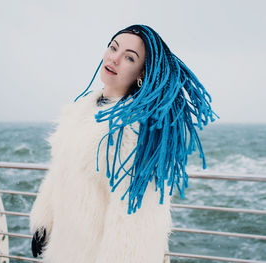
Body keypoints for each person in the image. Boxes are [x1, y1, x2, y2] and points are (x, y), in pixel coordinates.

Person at [29, 24, 216, 263]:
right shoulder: (79, 111)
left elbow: (134, 222)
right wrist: (43, 222)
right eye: (113, 48)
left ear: (141, 73)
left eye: (129, 57)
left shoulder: (135, 129)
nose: (114, 59)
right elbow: (60, 171)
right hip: (63, 250)